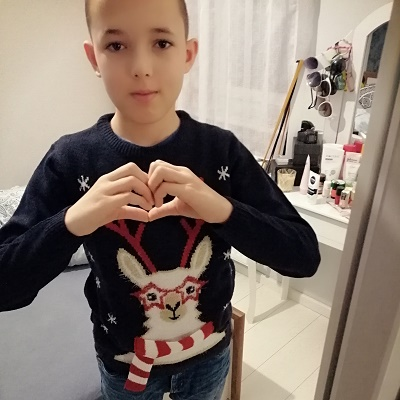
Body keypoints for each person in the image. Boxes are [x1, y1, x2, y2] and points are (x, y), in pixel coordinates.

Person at [0, 0, 321, 399]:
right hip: (125, 367)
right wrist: (72, 222)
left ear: (187, 54)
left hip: (209, 356)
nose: (141, 67)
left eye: (162, 43)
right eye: (116, 45)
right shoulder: (69, 161)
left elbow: (303, 256)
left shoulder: (221, 151)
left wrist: (223, 210)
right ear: (94, 57)